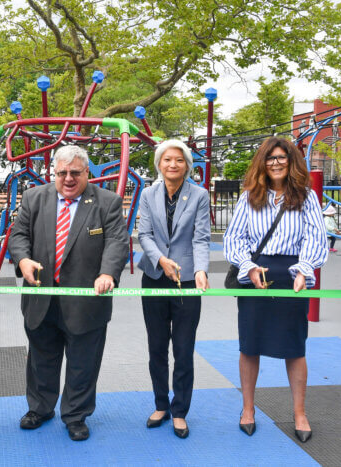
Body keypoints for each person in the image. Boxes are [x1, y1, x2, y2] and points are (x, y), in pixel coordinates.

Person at [8, 145, 129, 441]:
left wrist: (107, 273)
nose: (69, 179)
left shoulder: (108, 202)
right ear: (54, 172)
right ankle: (40, 408)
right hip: (41, 296)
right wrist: (22, 260)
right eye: (62, 173)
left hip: (87, 301)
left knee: (83, 362)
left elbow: (117, 242)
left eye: (75, 172)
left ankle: (76, 415)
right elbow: (19, 235)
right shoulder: (34, 198)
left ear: (87, 172)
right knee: (41, 359)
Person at [223, 137, 327, 443]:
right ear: (262, 163)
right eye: (270, 158)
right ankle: (247, 409)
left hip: (292, 274)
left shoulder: (306, 197)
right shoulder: (249, 197)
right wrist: (248, 266)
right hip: (255, 272)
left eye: (282, 157)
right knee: (250, 344)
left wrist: (304, 269)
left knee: (294, 347)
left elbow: (315, 238)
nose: (276, 162)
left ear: (291, 161)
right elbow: (234, 239)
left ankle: (299, 412)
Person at [136, 140, 210, 438]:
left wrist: (202, 269)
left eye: (179, 160)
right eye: (167, 159)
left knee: (183, 348)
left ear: (187, 164)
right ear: (159, 163)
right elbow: (144, 234)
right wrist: (161, 259)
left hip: (187, 277)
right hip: (154, 275)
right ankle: (161, 404)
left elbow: (201, 237)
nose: (173, 165)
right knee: (156, 347)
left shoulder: (199, 195)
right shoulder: (147, 193)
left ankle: (180, 410)